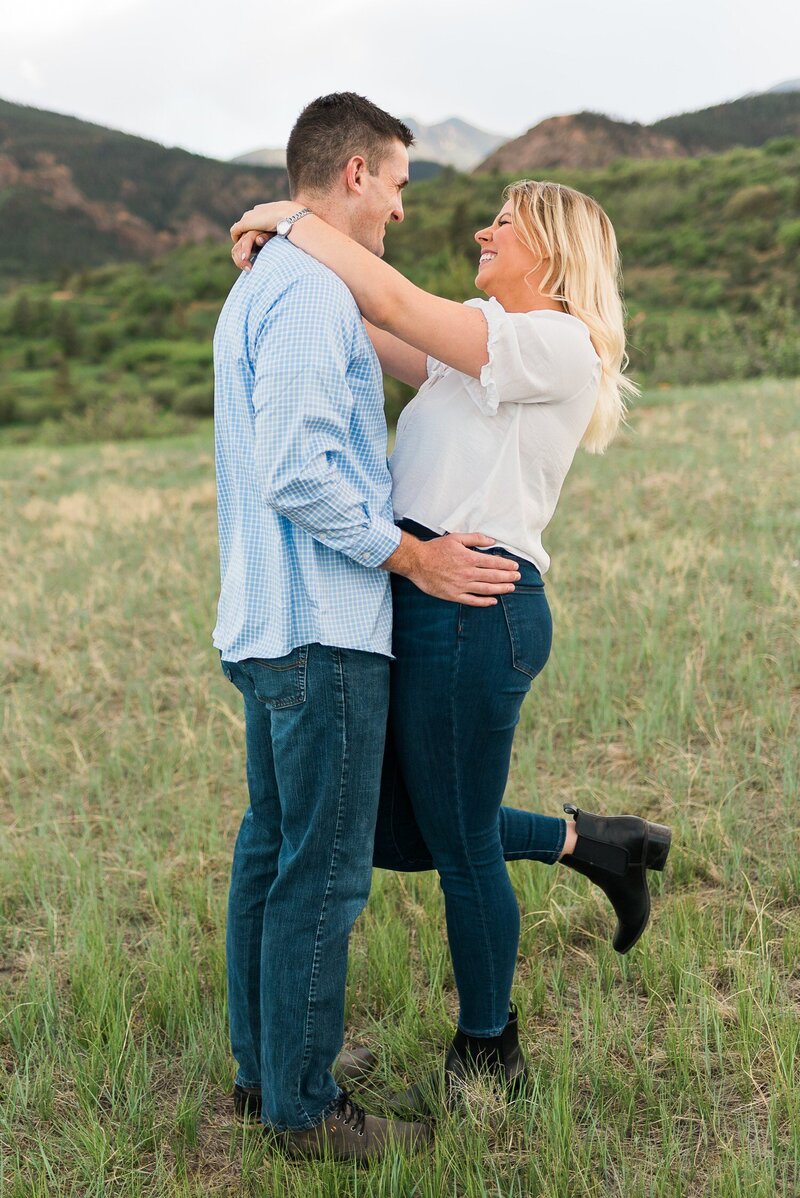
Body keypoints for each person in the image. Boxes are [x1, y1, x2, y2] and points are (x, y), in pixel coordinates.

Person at [229, 175, 673, 1111]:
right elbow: (366, 318)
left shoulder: (557, 345)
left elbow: (390, 297)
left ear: (551, 251)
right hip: (424, 594)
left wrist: (290, 217)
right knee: (393, 832)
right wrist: (286, 255)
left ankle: (489, 1046)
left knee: (460, 844)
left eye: (503, 223)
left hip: (477, 607)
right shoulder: (477, 343)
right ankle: (593, 845)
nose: (483, 229)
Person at [213, 92, 521, 1162]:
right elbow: (302, 469)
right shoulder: (301, 296)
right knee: (323, 875)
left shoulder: (270, 284)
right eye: (394, 183)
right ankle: (304, 1108)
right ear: (353, 176)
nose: (398, 207)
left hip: (268, 620)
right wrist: (413, 554)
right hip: (325, 625)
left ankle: (263, 1081)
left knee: (270, 857)